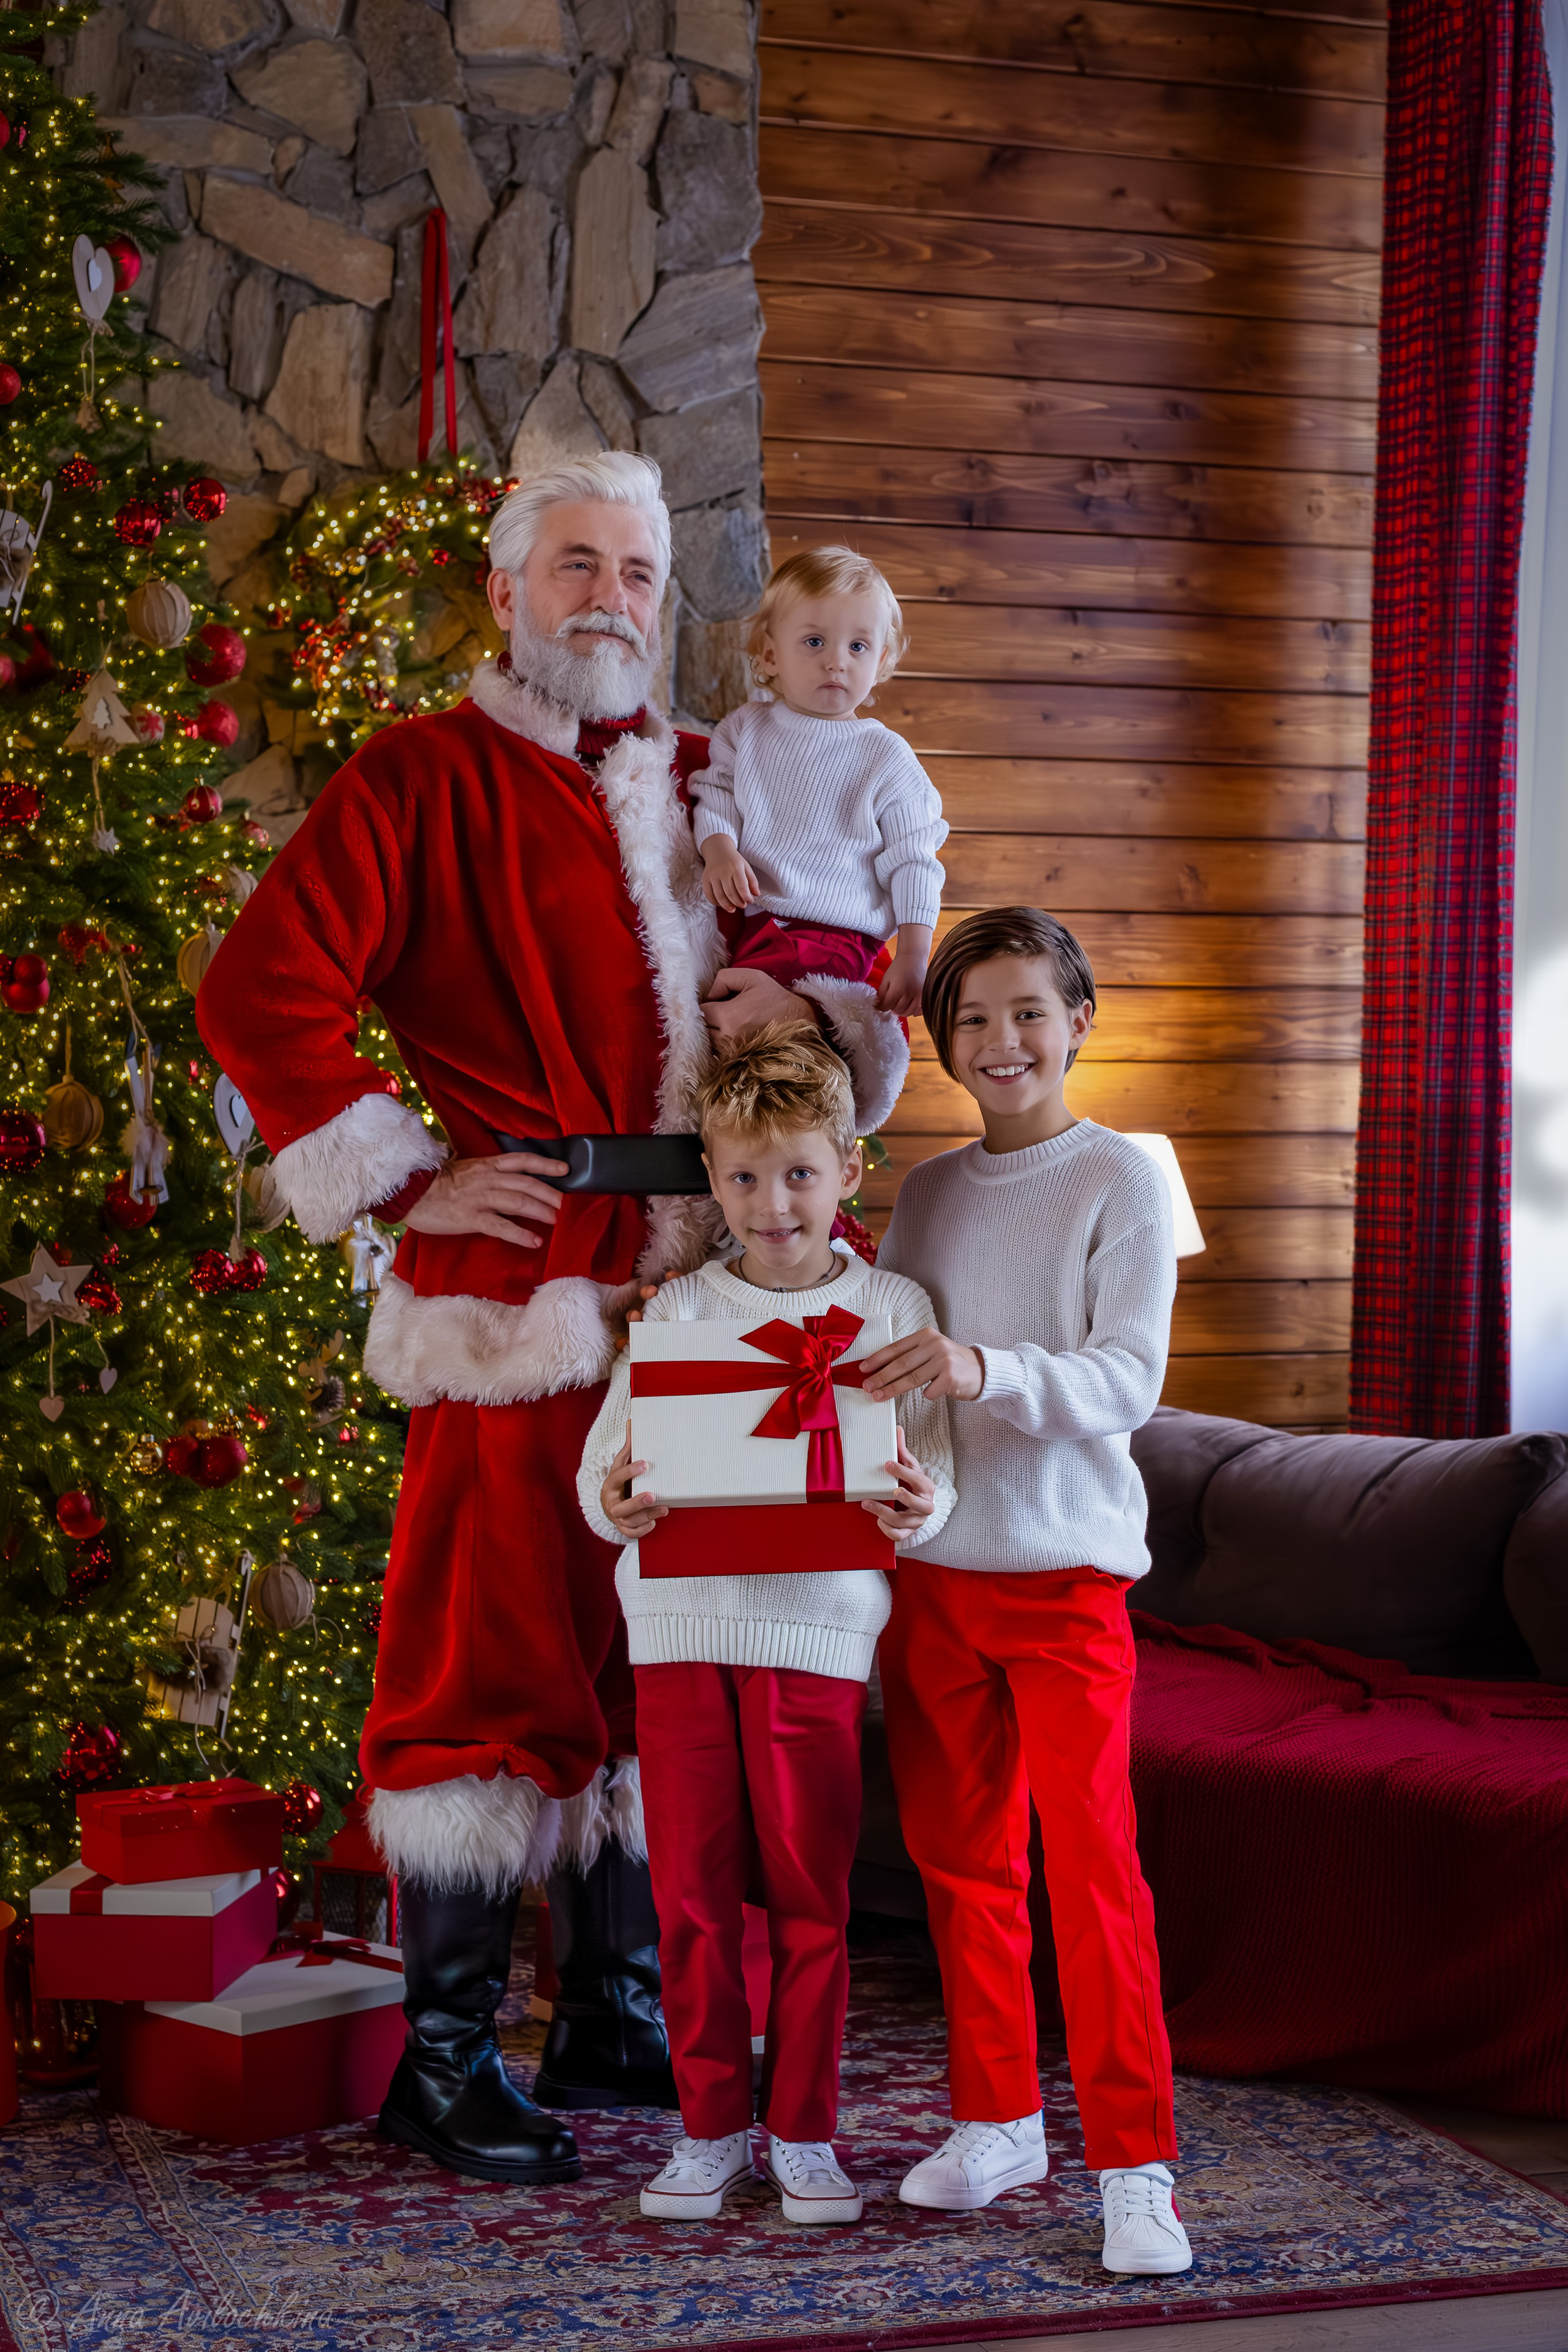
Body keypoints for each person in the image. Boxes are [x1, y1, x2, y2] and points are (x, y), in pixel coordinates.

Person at [195, 453, 907, 2188]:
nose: (609, 598)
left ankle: (611, 2012)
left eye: (637, 572)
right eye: (574, 564)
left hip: (708, 1292)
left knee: (651, 1658)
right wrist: (403, 1177)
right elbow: (258, 990)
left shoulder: (710, 777)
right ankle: (441, 2062)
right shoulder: (420, 774)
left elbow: (850, 972)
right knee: (484, 1667)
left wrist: (809, 1002)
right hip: (521, 1301)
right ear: (507, 590)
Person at [858, 905, 1193, 2277]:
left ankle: (1135, 2169)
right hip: (934, 1578)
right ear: (943, 1042)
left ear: (1077, 1022)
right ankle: (996, 2121)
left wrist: (979, 1369)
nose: (1001, 1040)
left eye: (1026, 1012)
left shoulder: (1124, 1179)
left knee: (1094, 1876)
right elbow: (887, 1370)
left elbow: (1127, 1381)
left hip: (1064, 1582)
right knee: (960, 1867)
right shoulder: (928, 1195)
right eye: (972, 1019)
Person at [576, 1023, 955, 2225]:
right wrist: (617, 1500)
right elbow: (602, 1472)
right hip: (680, 1633)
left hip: (815, 1640)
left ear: (848, 1168)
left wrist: (920, 1507)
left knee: (809, 1901)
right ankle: (706, 2133)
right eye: (744, 1177)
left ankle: (801, 2133)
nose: (772, 1203)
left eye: (798, 1173)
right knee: (690, 1903)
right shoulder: (680, 1307)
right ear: (713, 1179)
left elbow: (932, 1479)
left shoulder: (890, 1306)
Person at [690, 546, 948, 1019]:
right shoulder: (746, 729)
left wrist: (913, 956)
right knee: (720, 1022)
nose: (836, 662)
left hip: (838, 934)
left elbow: (914, 860)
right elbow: (717, 794)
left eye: (857, 647)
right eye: (814, 642)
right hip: (758, 922)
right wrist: (720, 850)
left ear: (881, 660)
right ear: (771, 654)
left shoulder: (886, 756)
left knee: (758, 1024)